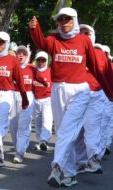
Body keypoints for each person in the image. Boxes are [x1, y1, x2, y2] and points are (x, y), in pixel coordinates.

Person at [29, 7, 113, 187]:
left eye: (68, 19)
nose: (64, 22)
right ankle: (70, 173)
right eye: (61, 19)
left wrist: (109, 92)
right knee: (63, 133)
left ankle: (57, 167)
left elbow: (96, 69)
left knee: (66, 131)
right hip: (58, 89)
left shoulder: (84, 41)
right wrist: (34, 29)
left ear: (74, 20)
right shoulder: (54, 40)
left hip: (80, 92)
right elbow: (41, 43)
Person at [0, 32, 29, 168]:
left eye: (2, 41)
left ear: (7, 43)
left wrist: (24, 98)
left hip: (6, 95)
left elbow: (20, 82)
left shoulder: (13, 60)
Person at [75, 24, 108, 174]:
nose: (84, 35)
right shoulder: (74, 52)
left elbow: (109, 76)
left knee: (92, 128)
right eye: (81, 33)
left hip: (96, 97)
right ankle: (80, 162)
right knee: (77, 133)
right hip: (76, 97)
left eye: (87, 33)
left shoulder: (100, 55)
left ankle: (94, 158)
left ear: (93, 36)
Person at [10, 45, 35, 164]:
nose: (21, 55)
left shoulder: (32, 69)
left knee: (23, 125)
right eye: (19, 53)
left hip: (28, 96)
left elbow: (43, 78)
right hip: (13, 96)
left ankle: (19, 152)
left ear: (28, 56)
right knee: (13, 126)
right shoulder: (12, 67)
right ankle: (19, 147)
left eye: (24, 53)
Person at [33, 51, 53, 151]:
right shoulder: (32, 71)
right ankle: (40, 142)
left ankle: (44, 140)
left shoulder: (51, 71)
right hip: (35, 100)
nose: (41, 62)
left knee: (47, 120)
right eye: (39, 60)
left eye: (43, 60)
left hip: (47, 100)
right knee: (37, 123)